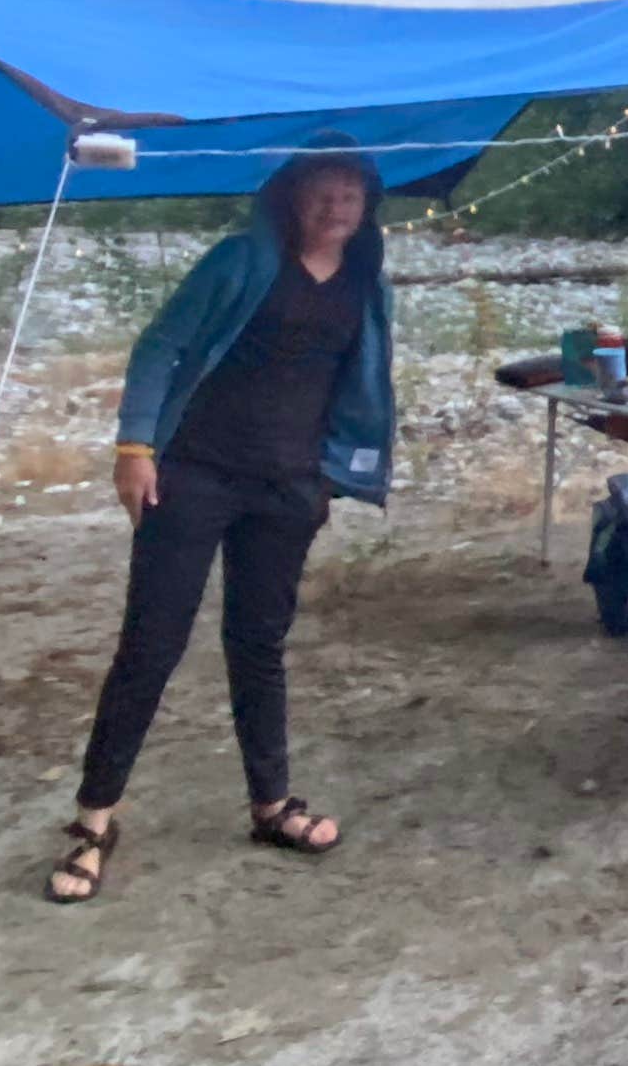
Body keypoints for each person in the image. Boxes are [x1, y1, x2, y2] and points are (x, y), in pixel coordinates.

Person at [50, 148, 395, 901]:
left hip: (288, 489)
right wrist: (135, 448)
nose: (337, 206)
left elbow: (361, 383)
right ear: (291, 196)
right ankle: (93, 821)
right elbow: (161, 346)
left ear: (367, 205)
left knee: (259, 644)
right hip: (193, 475)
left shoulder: (368, 284)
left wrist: (334, 475)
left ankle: (270, 805)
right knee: (151, 645)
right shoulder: (240, 260)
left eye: (351, 194)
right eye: (322, 192)